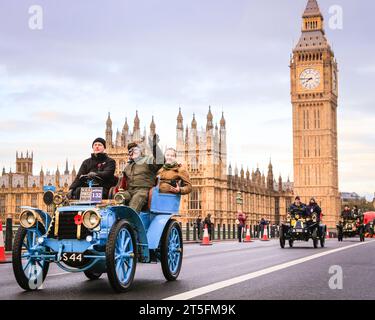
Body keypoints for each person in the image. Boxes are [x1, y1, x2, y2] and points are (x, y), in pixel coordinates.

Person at [122, 134, 164, 212]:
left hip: (143, 190)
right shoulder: (127, 167)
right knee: (118, 198)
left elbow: (160, 160)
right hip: (130, 191)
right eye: (130, 151)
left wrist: (154, 146)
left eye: (135, 149)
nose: (133, 152)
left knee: (135, 201)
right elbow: (123, 183)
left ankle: (130, 222)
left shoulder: (148, 160)